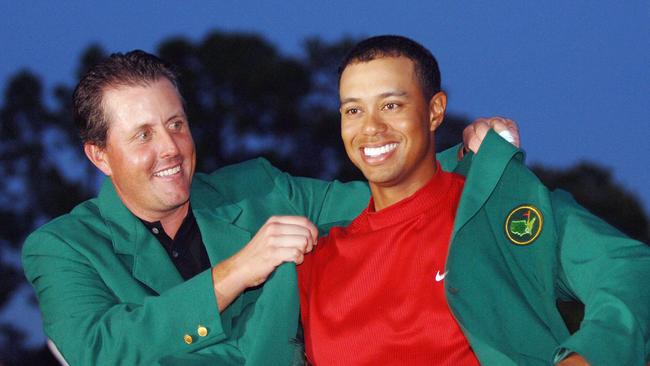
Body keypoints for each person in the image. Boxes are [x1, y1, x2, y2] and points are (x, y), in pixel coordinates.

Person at [21, 50, 516, 365]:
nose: (170, 148)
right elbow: (98, 350)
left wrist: (470, 155)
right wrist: (238, 270)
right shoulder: (62, 248)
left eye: (175, 124)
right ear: (99, 155)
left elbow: (375, 196)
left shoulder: (258, 187)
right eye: (143, 135)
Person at [298, 35, 650, 366]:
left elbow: (632, 270)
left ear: (435, 111)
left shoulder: (498, 206)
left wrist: (586, 356)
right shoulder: (315, 258)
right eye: (353, 110)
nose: (371, 127)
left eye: (391, 105)